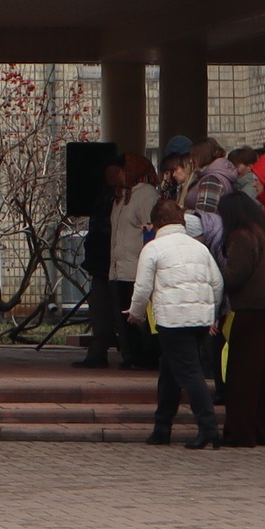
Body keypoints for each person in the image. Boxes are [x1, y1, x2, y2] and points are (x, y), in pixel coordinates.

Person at [132, 194, 223, 450]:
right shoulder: (199, 247)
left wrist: (136, 313)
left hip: (173, 320)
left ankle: (209, 429)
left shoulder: (153, 248)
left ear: (156, 223)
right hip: (200, 319)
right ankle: (162, 427)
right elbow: (217, 283)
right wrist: (211, 312)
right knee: (170, 372)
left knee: (189, 374)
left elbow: (142, 288)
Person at [90, 155, 160, 371]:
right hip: (118, 268)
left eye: (120, 171)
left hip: (136, 267)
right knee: (124, 318)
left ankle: (146, 357)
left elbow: (151, 228)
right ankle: (132, 355)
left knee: (139, 317)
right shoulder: (120, 197)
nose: (115, 176)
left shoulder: (146, 194)